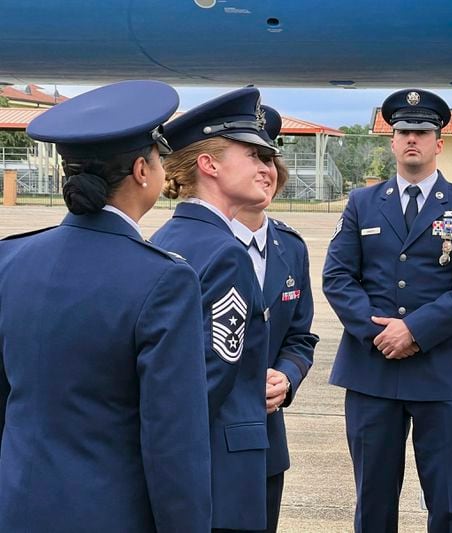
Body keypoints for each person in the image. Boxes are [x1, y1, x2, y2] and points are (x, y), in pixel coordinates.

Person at [0, 80, 212, 532]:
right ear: (141, 170)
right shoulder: (164, 280)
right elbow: (173, 443)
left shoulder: (9, 258)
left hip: (15, 506)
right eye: (158, 157)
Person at [323, 89, 452, 533]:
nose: (412, 139)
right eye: (403, 132)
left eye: (422, 132)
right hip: (372, 369)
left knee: (449, 502)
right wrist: (379, 332)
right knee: (374, 501)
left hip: (439, 372)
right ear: (392, 142)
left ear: (439, 142)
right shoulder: (362, 204)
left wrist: (414, 331)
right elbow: (338, 277)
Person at [150, 87, 275, 532]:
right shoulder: (226, 253)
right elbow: (209, 377)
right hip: (219, 471)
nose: (267, 168)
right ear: (210, 164)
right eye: (254, 155)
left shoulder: (164, 241)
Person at [232, 105, 319, 533]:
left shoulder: (291, 247)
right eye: (253, 158)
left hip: (267, 440)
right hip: (210, 440)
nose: (265, 169)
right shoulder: (187, 249)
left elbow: (301, 336)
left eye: (270, 158)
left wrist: (285, 378)